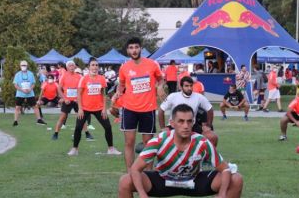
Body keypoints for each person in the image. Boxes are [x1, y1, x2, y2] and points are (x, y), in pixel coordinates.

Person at [108, 104, 245, 198]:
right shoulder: (159, 141)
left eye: (189, 121)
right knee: (125, 181)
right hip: (164, 181)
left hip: (194, 182)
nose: (185, 126)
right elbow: (135, 169)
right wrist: (143, 197)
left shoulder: (202, 142)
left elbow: (225, 169)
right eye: (180, 121)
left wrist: (222, 194)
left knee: (236, 179)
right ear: (172, 123)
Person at [118, 37, 166, 171]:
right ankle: (130, 173)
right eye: (131, 48)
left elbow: (161, 79)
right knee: (129, 142)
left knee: (148, 143)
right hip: (129, 109)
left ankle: (148, 174)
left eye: (136, 47)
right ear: (128, 50)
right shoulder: (124, 67)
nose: (134, 50)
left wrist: (160, 86)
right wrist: (117, 93)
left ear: (141, 49)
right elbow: (121, 85)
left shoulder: (152, 64)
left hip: (148, 109)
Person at [68, 58, 121, 156]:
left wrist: (104, 108)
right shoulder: (83, 79)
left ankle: (111, 149)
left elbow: (103, 94)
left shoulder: (101, 79)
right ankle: (74, 149)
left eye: (96, 65)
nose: (95, 67)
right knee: (78, 127)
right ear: (88, 67)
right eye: (93, 65)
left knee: (108, 127)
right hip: (84, 108)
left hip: (99, 108)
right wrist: (80, 108)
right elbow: (78, 94)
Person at [158, 76, 217, 146]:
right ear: (181, 87)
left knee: (212, 136)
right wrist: (163, 128)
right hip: (174, 126)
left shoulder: (198, 97)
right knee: (161, 138)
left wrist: (208, 126)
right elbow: (161, 110)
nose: (189, 88)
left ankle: (208, 156)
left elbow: (210, 109)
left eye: (191, 86)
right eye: (186, 86)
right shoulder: (173, 96)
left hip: (192, 125)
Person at [52, 61, 82, 140]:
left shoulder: (79, 76)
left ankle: (87, 133)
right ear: (67, 67)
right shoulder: (64, 76)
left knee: (81, 117)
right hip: (67, 100)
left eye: (73, 65)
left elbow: (81, 89)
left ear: (75, 67)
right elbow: (59, 89)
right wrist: (64, 98)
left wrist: (78, 98)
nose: (72, 67)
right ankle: (56, 133)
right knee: (63, 117)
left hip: (76, 100)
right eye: (70, 66)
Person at [13, 60, 46, 127]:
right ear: (20, 66)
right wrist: (22, 90)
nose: (23, 66)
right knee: (17, 107)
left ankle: (39, 120)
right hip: (20, 94)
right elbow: (15, 85)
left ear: (27, 66)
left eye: (24, 65)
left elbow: (33, 83)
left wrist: (30, 89)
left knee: (35, 106)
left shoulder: (30, 74)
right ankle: (15, 121)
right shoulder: (17, 74)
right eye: (22, 65)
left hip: (30, 93)